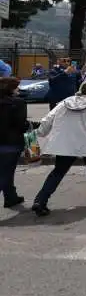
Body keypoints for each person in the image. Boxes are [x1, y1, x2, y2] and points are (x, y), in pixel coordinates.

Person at [31, 80, 86, 217]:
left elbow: (48, 119)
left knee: (58, 172)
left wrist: (40, 132)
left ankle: (40, 200)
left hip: (65, 143)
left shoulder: (65, 102)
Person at [0, 77, 27, 208]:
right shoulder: (18, 102)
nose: (18, 89)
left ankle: (11, 197)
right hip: (10, 143)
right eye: (17, 87)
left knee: (6, 173)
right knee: (6, 174)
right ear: (11, 89)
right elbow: (21, 125)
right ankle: (10, 197)